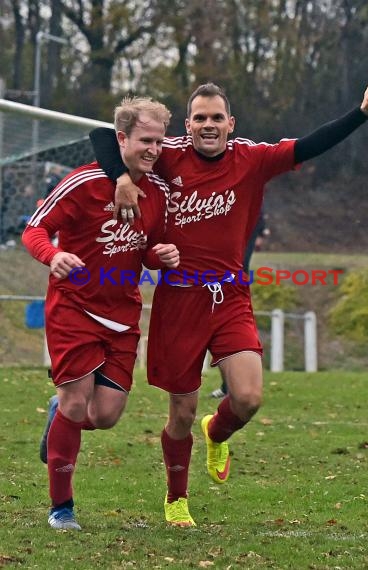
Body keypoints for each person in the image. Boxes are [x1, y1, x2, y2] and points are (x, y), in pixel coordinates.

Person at [90, 69, 368, 526]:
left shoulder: (252, 158)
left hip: (229, 296)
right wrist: (120, 179)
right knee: (181, 412)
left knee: (248, 398)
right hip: (179, 301)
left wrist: (362, 113)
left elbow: (311, 144)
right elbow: (100, 136)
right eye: (198, 118)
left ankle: (219, 429)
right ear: (186, 126)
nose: (207, 124)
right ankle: (177, 500)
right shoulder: (167, 154)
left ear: (231, 122)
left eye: (216, 117)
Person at [22, 97, 180, 531]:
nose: (153, 149)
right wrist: (52, 256)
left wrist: (161, 254)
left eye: (159, 142)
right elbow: (34, 229)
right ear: (122, 139)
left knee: (106, 415)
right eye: (146, 140)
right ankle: (62, 507)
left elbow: (146, 249)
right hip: (73, 307)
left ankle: (59, 415)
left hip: (123, 315)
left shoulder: (159, 192)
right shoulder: (83, 183)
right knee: (77, 402)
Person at [209, 209, 270, 399]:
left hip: (231, 286)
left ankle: (233, 384)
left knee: (229, 329)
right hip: (208, 280)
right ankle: (229, 384)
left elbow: (256, 198)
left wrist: (260, 229)